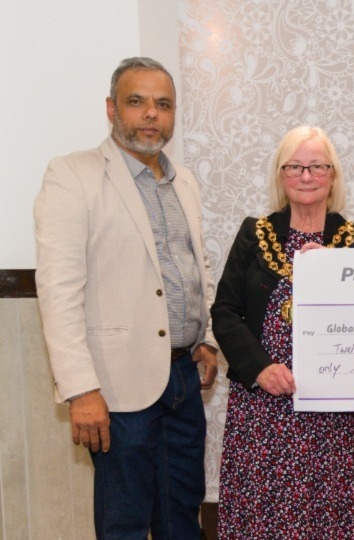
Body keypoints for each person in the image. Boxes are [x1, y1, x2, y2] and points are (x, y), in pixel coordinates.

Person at [34, 57, 219, 538]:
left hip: (183, 378)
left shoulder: (185, 182)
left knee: (183, 516)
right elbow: (58, 291)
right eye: (137, 102)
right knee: (126, 524)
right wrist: (80, 389)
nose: (151, 115)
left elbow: (196, 270)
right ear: (111, 108)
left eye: (163, 104)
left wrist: (208, 338)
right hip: (116, 387)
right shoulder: (72, 175)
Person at [212, 125, 354, 538]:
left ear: (332, 175)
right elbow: (226, 313)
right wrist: (261, 369)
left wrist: (336, 273)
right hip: (261, 406)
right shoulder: (255, 233)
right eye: (295, 166)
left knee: (327, 516)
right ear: (281, 175)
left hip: (329, 410)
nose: (306, 176)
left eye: (317, 166)